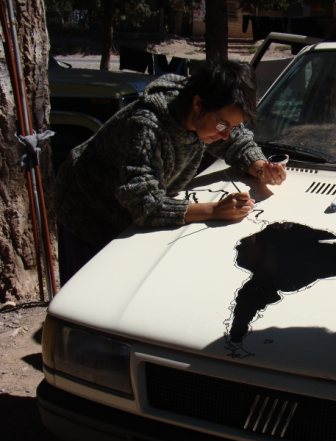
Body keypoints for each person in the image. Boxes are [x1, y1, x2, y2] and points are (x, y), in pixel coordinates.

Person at [55, 60, 286, 285]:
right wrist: (214, 210)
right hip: (86, 211)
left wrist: (260, 167)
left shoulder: (207, 114)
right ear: (198, 104)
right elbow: (145, 204)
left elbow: (236, 141)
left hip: (126, 216)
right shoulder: (146, 127)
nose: (226, 134)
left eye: (233, 126)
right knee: (89, 294)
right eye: (223, 125)